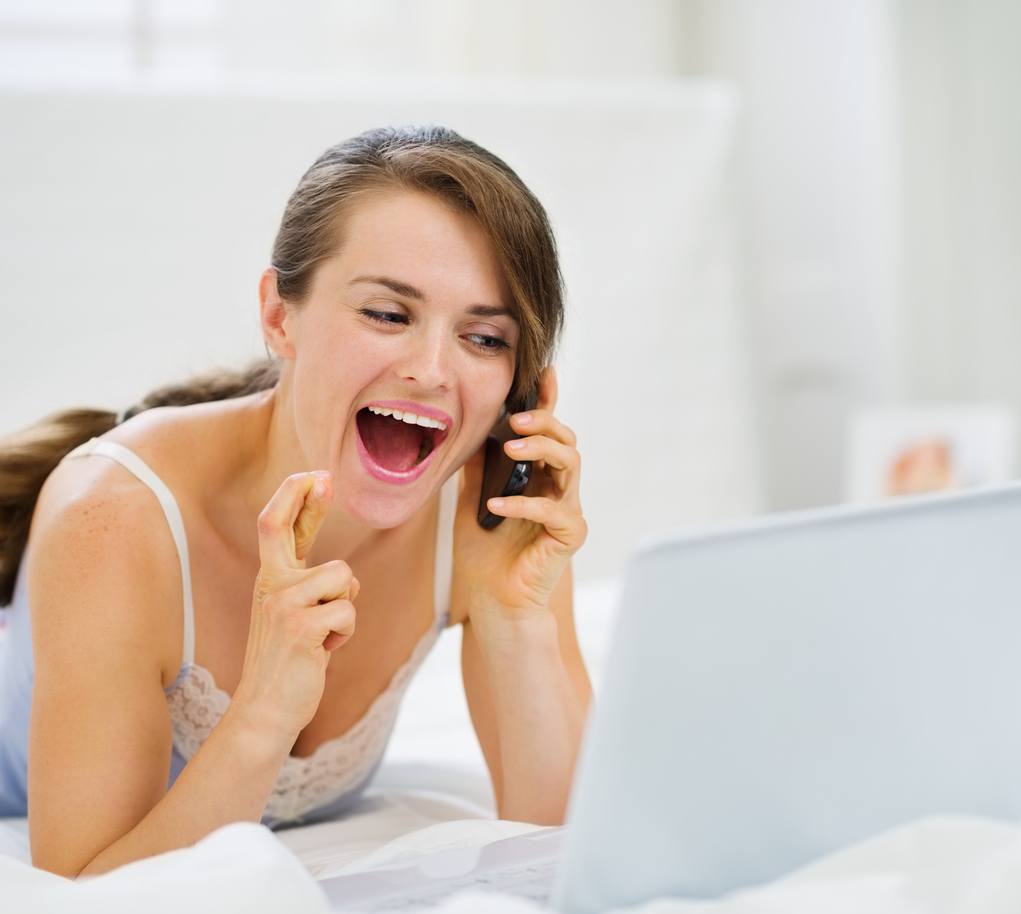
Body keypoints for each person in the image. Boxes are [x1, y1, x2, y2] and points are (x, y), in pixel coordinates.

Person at [0, 125, 592, 878]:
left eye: (483, 338)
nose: (433, 370)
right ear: (280, 317)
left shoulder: (491, 516)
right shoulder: (111, 517)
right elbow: (87, 888)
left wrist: (518, 621)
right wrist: (265, 710)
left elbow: (566, 847)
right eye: (388, 314)